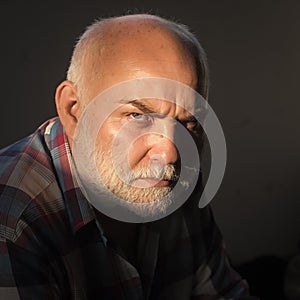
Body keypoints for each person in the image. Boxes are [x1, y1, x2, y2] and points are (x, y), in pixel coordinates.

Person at [0, 14, 256, 299]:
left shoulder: (177, 178)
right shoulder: (12, 222)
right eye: (137, 115)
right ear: (73, 110)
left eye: (188, 122)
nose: (169, 152)